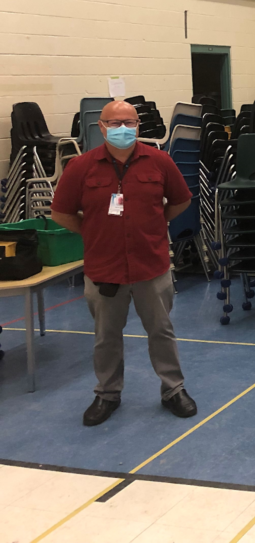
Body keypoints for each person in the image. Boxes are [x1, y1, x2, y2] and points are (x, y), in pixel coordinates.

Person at [51, 101, 197, 426]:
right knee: (106, 337)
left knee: (161, 331)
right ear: (101, 127)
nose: (122, 129)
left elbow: (180, 200)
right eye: (115, 123)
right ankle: (107, 393)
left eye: (129, 123)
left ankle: (174, 389)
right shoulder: (81, 167)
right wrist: (91, 231)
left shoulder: (160, 161)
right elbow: (60, 212)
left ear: (138, 127)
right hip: (105, 269)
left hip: (151, 266)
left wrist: (156, 225)